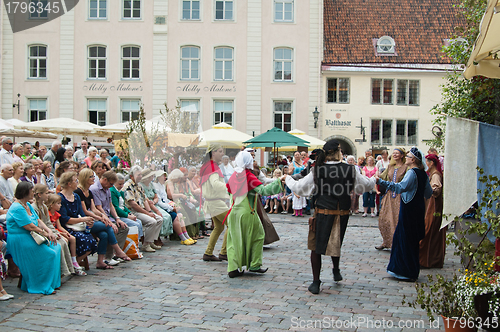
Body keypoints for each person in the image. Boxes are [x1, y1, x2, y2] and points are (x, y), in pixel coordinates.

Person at [284, 140, 377, 294]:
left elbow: (300, 188)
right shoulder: (350, 169)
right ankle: (335, 270)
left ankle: (316, 281)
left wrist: (287, 178)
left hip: (323, 212)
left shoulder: (318, 170)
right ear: (338, 151)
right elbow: (365, 186)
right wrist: (375, 179)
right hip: (342, 213)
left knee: (316, 247)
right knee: (336, 240)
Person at [375, 147, 432, 281]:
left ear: (413, 160)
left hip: (409, 209)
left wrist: (380, 182)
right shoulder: (424, 174)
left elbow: (400, 187)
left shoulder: (412, 173)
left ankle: (403, 271)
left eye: (408, 156)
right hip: (418, 209)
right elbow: (428, 193)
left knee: (405, 238)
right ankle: (411, 270)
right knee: (412, 240)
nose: (406, 158)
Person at [225, 151, 285, 278]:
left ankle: (233, 268)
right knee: (258, 235)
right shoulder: (248, 176)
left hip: (233, 212)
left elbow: (229, 191)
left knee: (233, 241)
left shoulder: (234, 175)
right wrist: (279, 182)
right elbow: (263, 190)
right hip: (247, 212)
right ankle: (254, 264)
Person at [6, 182, 61, 294]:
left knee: (57, 247)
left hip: (30, 236)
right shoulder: (17, 207)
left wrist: (49, 230)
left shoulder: (27, 204)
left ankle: (52, 283)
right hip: (20, 239)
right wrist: (45, 234)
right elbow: (29, 226)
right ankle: (41, 285)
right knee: (49, 254)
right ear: (25, 192)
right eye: (32, 190)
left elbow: (38, 220)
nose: (33, 193)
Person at [74, 168, 130, 267]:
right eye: (91, 176)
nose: (94, 178)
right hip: (85, 220)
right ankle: (117, 251)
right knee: (108, 226)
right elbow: (85, 211)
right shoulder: (80, 191)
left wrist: (103, 216)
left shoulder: (89, 191)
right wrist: (101, 218)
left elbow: (94, 208)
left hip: (93, 218)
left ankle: (101, 261)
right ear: (85, 178)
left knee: (104, 235)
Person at [33, 184, 85, 277]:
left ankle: (65, 270)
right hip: (40, 234)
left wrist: (55, 232)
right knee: (59, 244)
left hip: (49, 231)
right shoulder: (34, 207)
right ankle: (60, 271)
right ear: (39, 195)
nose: (48, 195)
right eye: (46, 193)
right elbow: (38, 225)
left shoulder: (43, 207)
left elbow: (48, 224)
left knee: (64, 242)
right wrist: (50, 233)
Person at [90, 170, 132, 264]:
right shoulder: (95, 189)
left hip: (108, 216)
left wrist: (117, 218)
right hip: (99, 217)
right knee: (111, 228)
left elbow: (110, 205)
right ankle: (109, 256)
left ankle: (116, 253)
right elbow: (98, 208)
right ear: (105, 180)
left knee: (124, 227)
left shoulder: (107, 188)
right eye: (111, 183)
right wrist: (109, 220)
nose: (111, 185)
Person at [58, 172, 98, 267]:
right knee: (83, 239)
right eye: (75, 181)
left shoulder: (76, 196)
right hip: (66, 227)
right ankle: (73, 264)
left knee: (92, 241)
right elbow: (65, 219)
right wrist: (83, 219)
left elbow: (81, 213)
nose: (77, 182)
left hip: (78, 225)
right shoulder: (60, 198)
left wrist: (88, 221)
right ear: (69, 184)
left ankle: (74, 263)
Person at [122, 166, 163, 253]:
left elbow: (145, 200)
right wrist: (148, 214)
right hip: (133, 212)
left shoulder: (139, 186)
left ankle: (151, 241)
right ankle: (146, 244)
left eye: (141, 174)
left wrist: (150, 211)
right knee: (152, 221)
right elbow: (133, 205)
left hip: (142, 210)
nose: (140, 176)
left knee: (159, 219)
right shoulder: (128, 186)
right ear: (131, 176)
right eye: (138, 175)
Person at [200, 144, 229, 261]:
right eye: (220, 151)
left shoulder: (208, 165)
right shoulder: (212, 166)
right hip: (215, 202)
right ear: (213, 153)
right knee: (232, 224)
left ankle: (208, 253)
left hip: (212, 202)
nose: (222, 154)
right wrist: (230, 187)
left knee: (219, 227)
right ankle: (224, 252)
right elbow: (215, 184)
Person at [376, 148, 407, 250]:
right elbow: (382, 177)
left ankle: (397, 243)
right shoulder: (390, 167)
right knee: (385, 219)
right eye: (393, 153)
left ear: (402, 155)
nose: (395, 155)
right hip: (389, 196)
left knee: (397, 219)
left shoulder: (406, 167)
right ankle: (386, 241)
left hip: (400, 196)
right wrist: (375, 177)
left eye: (397, 153)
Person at [419, 154, 446, 268]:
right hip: (431, 204)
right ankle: (429, 259)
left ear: (432, 163)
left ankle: (426, 260)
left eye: (427, 162)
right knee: (431, 232)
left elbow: (436, 190)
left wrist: (426, 188)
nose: (426, 165)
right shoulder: (433, 174)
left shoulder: (436, 175)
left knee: (429, 231)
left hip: (434, 206)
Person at [110, 173, 144, 240]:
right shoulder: (112, 191)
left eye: (123, 183)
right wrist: (127, 216)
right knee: (135, 225)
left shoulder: (120, 191)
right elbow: (116, 208)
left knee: (139, 222)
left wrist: (129, 213)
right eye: (120, 184)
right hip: (117, 216)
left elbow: (123, 205)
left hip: (123, 213)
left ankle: (136, 242)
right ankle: (133, 244)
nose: (122, 186)